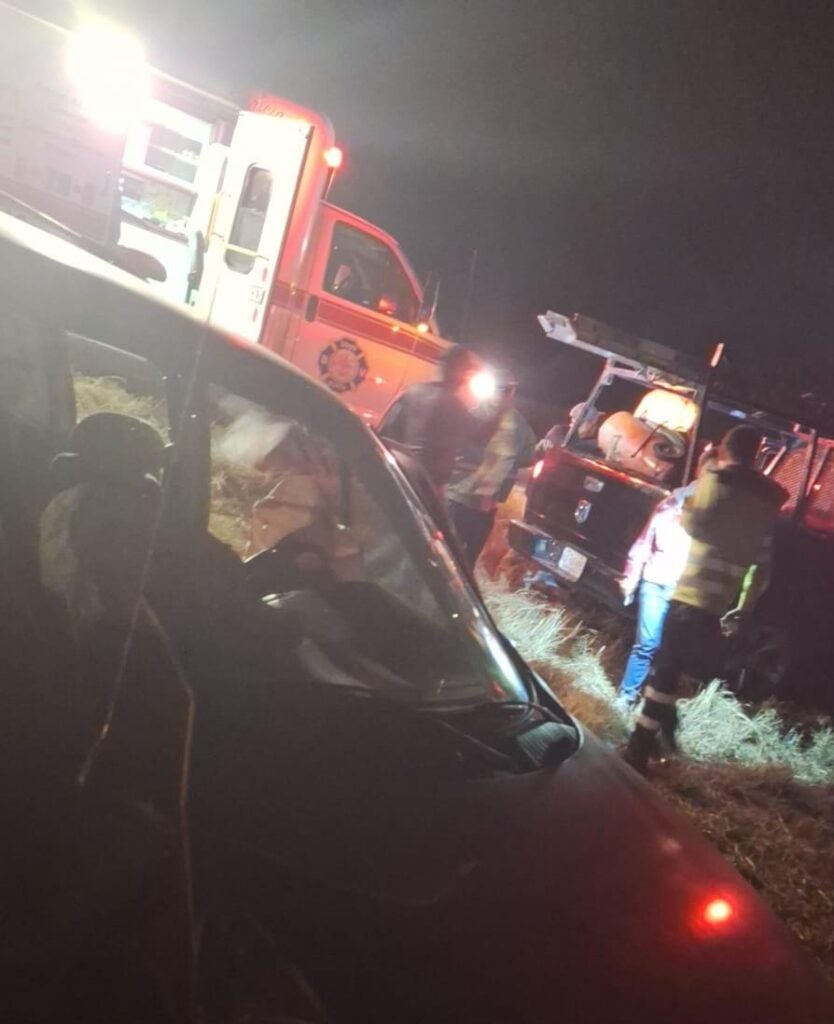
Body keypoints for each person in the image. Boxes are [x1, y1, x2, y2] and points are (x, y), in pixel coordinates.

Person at [622, 425, 788, 773]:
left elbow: (693, 523)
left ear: (725, 449)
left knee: (664, 670)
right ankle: (664, 731)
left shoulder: (719, 480)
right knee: (674, 667)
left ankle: (639, 751)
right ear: (757, 455)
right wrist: (744, 606)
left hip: (689, 594)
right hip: (719, 602)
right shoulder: (765, 507)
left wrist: (706, 471)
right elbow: (761, 566)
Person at [616, 446, 717, 708]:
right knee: (648, 643)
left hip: (684, 591)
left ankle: (649, 701)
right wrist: (631, 577)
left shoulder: (717, 516)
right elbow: (644, 542)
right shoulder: (671, 504)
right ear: (699, 469)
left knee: (667, 651)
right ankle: (627, 696)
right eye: (708, 470)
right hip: (657, 581)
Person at [446, 369, 536, 567]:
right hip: (476, 506)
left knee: (444, 556)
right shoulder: (519, 426)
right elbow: (528, 457)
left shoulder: (473, 413)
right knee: (463, 564)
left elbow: (450, 445)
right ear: (512, 392)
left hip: (459, 501)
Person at [377, 344, 497, 491]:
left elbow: (385, 431)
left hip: (398, 477)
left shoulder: (414, 391)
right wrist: (502, 406)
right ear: (466, 374)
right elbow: (482, 437)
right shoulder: (454, 406)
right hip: (425, 488)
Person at [537, 402, 603, 456]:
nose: (595, 426)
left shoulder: (592, 444)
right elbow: (564, 449)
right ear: (587, 424)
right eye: (594, 423)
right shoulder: (559, 431)